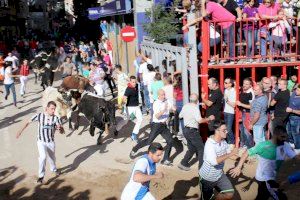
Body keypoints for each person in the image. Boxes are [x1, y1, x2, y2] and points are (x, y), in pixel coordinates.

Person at [230, 126, 299, 200]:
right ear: (275, 135)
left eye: (285, 137)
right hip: (264, 179)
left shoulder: (285, 145)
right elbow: (247, 152)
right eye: (282, 137)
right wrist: (238, 167)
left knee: (263, 196)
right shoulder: (263, 145)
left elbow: (296, 157)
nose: (285, 139)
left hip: (272, 177)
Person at [16, 101, 64, 183]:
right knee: (43, 157)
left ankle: (54, 169)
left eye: (54, 109)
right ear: (47, 108)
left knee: (52, 158)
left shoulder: (56, 118)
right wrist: (20, 131)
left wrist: (60, 129)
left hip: (50, 142)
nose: (53, 111)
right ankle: (41, 177)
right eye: (52, 109)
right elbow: (28, 122)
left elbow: (62, 131)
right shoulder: (39, 116)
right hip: (41, 141)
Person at [130, 89, 174, 166]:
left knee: (170, 141)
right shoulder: (156, 103)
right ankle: (134, 149)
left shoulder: (167, 101)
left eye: (164, 94)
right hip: (156, 125)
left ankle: (165, 159)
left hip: (163, 125)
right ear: (158, 95)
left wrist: (174, 109)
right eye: (162, 95)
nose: (163, 96)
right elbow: (157, 116)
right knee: (149, 141)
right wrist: (164, 109)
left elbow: (173, 108)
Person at [199, 122, 238, 200]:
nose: (227, 132)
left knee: (229, 193)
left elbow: (229, 153)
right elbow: (214, 161)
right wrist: (231, 154)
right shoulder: (209, 144)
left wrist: (241, 156)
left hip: (219, 175)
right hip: (207, 178)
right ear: (217, 131)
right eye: (224, 130)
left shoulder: (223, 141)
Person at [178, 93, 215, 171]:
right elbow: (200, 121)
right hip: (192, 131)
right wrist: (209, 118)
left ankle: (183, 163)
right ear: (197, 100)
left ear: (189, 99)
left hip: (186, 130)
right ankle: (201, 168)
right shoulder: (195, 108)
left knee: (191, 148)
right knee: (201, 148)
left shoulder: (185, 106)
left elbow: (180, 116)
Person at [236, 77, 255, 148]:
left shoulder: (251, 93)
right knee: (242, 130)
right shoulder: (243, 90)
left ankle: (251, 147)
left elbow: (251, 106)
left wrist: (240, 104)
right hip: (242, 112)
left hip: (248, 113)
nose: (244, 85)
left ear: (250, 85)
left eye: (247, 84)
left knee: (247, 131)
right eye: (244, 83)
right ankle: (244, 145)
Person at [123, 76, 143, 142]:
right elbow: (124, 97)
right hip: (130, 107)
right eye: (133, 82)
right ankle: (117, 129)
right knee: (126, 121)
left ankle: (134, 134)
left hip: (137, 107)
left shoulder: (137, 85)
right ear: (130, 82)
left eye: (135, 82)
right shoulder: (128, 89)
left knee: (140, 119)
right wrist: (124, 104)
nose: (134, 83)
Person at [286, 84, 300, 154]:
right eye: (296, 89)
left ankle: (298, 148)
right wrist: (296, 86)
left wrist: (292, 110)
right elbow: (292, 90)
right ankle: (291, 144)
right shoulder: (294, 93)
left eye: (298, 90)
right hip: (289, 116)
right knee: (288, 131)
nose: (296, 91)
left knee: (296, 133)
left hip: (296, 118)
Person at [223, 78, 236, 145]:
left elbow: (234, 105)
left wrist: (227, 101)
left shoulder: (234, 91)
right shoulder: (225, 90)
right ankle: (228, 143)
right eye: (224, 82)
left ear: (230, 84)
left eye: (226, 83)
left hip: (231, 112)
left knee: (229, 129)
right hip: (225, 112)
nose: (224, 84)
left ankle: (232, 142)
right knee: (226, 129)